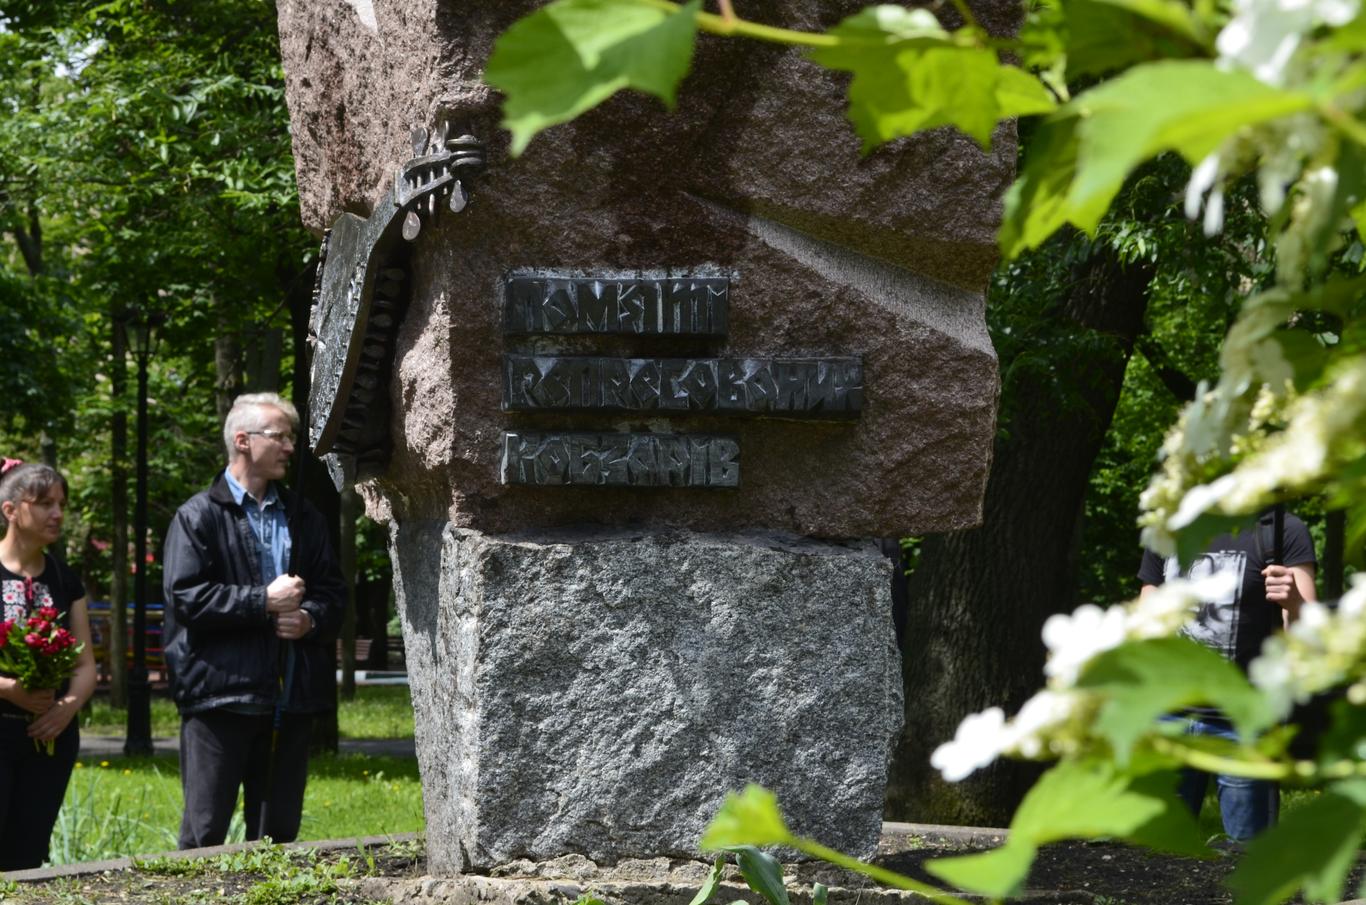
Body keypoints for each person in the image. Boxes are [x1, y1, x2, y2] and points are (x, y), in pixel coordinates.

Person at [162, 393, 344, 848]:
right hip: (219, 698)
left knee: (277, 836)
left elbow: (333, 594)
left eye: (291, 437)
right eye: (279, 436)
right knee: (205, 838)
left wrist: (309, 620)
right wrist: (261, 601)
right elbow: (186, 599)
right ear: (243, 441)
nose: (289, 447)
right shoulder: (197, 517)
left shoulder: (306, 516)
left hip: (289, 697)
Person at [1138, 507, 1317, 842]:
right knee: (1156, 856)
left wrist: (1293, 602)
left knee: (1249, 856)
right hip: (1167, 717)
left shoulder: (1282, 529)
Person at [0, 460, 96, 870]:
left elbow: (85, 663)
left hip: (49, 739)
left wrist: (65, 707)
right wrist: (11, 690)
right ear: (10, 510)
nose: (57, 514)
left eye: (61, 503)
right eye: (44, 503)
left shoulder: (64, 578)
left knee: (27, 857)